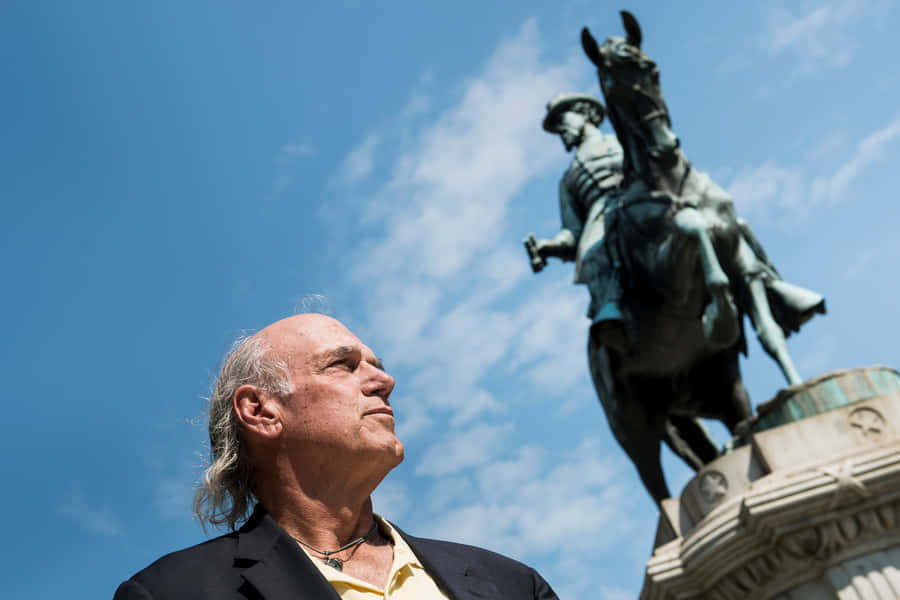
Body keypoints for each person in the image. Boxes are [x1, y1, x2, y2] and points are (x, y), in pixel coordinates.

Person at [113, 314, 559, 600]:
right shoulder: (172, 592)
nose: (385, 380)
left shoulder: (513, 584)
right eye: (342, 365)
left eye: (375, 363)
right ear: (261, 411)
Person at [528, 93, 628, 350]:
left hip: (637, 196)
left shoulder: (622, 140)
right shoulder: (568, 180)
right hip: (600, 218)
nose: (560, 129)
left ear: (584, 113)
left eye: (563, 119)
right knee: (594, 251)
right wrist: (548, 246)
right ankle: (610, 307)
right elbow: (572, 232)